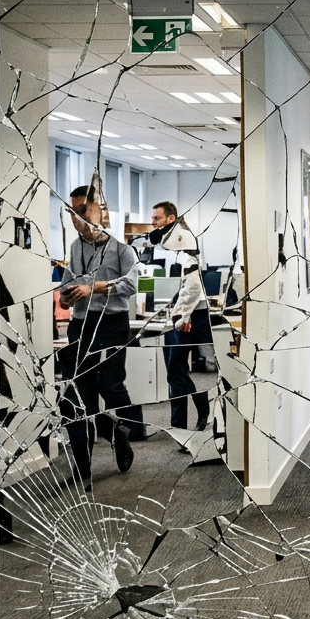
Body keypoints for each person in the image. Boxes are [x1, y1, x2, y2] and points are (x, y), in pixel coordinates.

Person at [57, 186, 142, 491]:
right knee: (80, 398)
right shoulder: (75, 248)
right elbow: (69, 284)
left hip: (111, 324)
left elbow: (133, 284)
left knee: (110, 385)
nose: (76, 219)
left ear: (99, 212)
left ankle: (118, 427)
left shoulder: (122, 249)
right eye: (72, 212)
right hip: (80, 324)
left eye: (82, 211)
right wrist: (65, 298)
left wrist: (94, 287)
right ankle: (83, 469)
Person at [149, 202, 213, 433]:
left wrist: (181, 315)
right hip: (182, 312)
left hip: (191, 315)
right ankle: (179, 427)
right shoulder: (172, 242)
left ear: (170, 218)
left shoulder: (184, 240)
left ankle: (201, 405)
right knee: (175, 371)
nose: (153, 222)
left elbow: (194, 286)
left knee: (175, 370)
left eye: (157, 218)